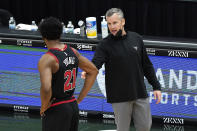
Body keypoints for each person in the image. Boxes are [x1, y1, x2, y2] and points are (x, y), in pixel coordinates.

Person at [82, 8, 162, 131]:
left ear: (122, 22)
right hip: (119, 96)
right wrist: (88, 70)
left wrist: (156, 86)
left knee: (145, 127)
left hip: (139, 92)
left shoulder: (136, 38)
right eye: (109, 23)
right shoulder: (104, 45)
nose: (112, 27)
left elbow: (147, 65)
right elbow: (96, 62)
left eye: (115, 23)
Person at [38, 17, 98, 131]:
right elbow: (93, 71)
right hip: (72, 106)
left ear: (43, 36)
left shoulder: (47, 59)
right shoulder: (72, 51)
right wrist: (79, 99)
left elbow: (46, 88)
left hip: (57, 108)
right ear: (60, 34)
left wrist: (44, 106)